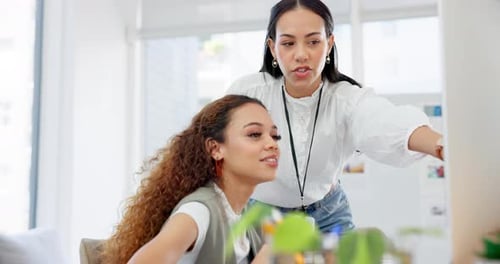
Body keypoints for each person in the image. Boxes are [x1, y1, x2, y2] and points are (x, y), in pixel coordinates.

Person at [226, 0, 444, 233]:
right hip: (263, 217)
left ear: (329, 44)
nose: (301, 55)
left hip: (328, 214)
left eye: (313, 42)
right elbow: (207, 141)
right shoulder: (248, 93)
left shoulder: (345, 99)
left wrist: (441, 145)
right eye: (288, 43)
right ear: (272, 48)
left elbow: (384, 121)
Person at [100, 95, 280, 264]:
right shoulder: (198, 212)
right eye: (254, 134)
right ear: (215, 149)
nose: (272, 144)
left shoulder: (248, 217)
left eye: (274, 136)